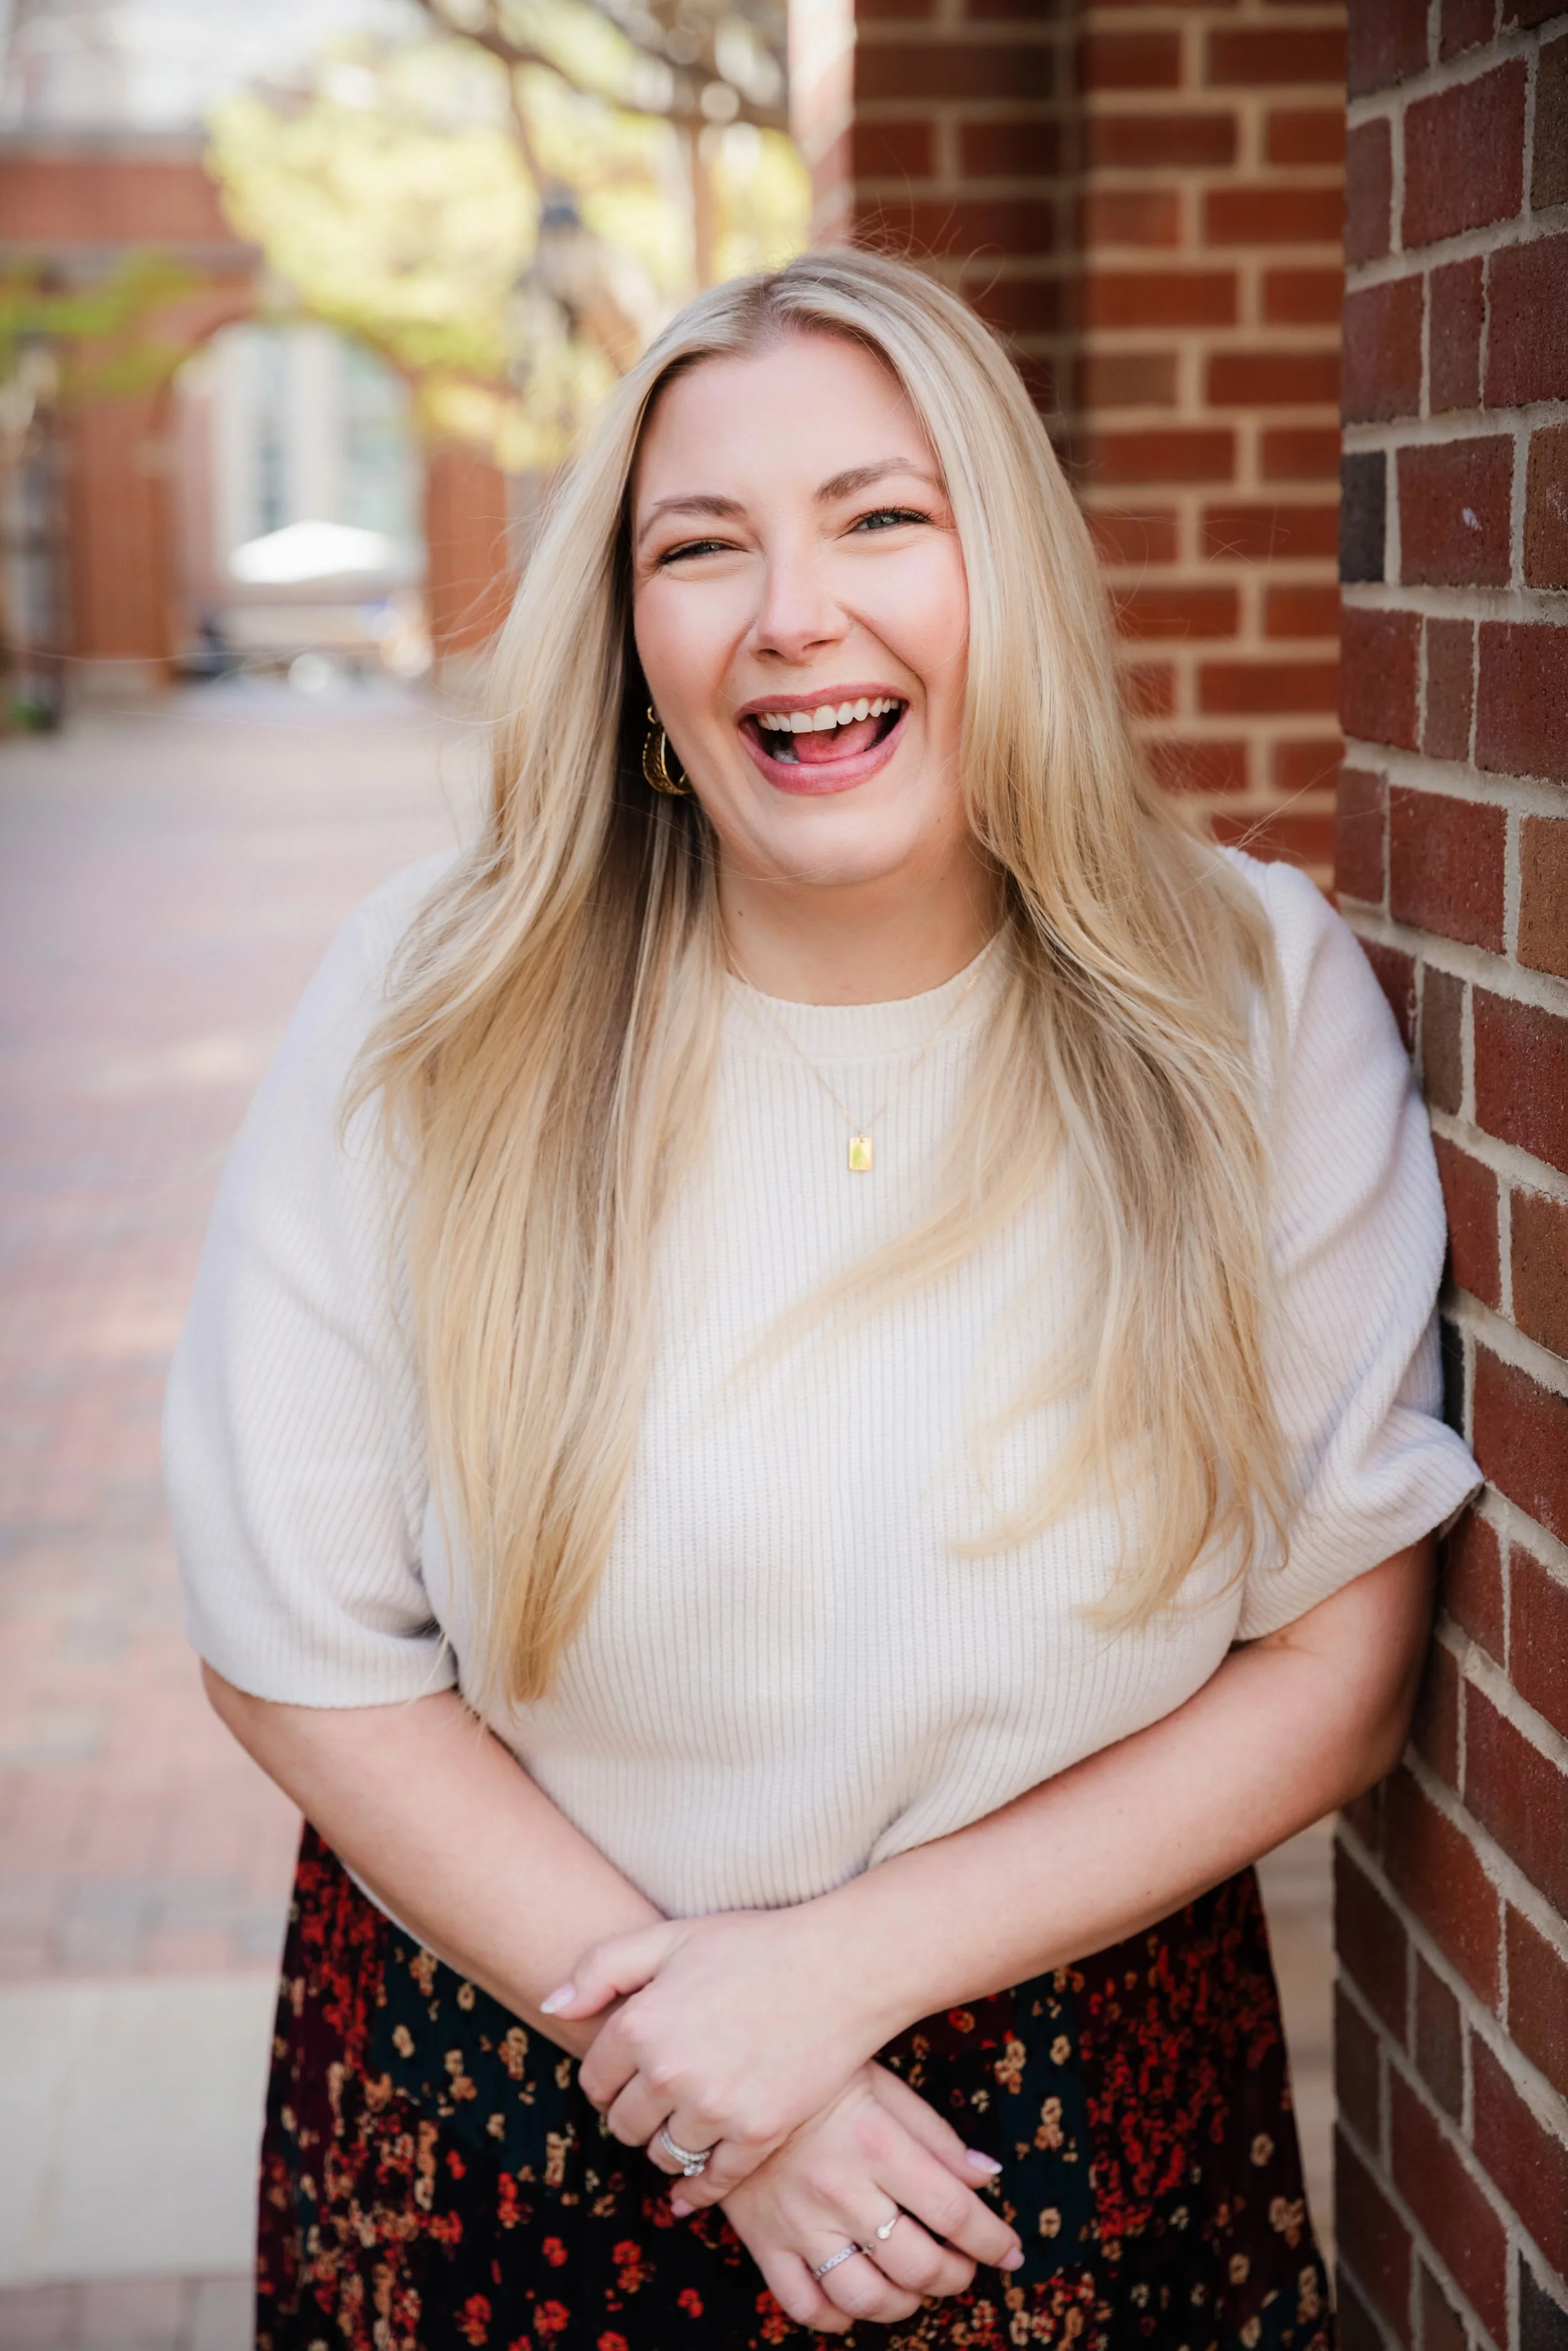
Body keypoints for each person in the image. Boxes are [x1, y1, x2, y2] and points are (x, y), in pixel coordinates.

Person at [166, 249, 1480, 2351]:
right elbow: (296, 1640)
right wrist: (708, 2076)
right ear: (632, 643)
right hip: (504, 2099)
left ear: (1013, 573)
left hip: (1061, 2134)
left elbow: (1338, 1647)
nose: (794, 612)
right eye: (703, 548)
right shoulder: (440, 1002)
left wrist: (824, 1978)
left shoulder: (1244, 995)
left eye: (882, 517)